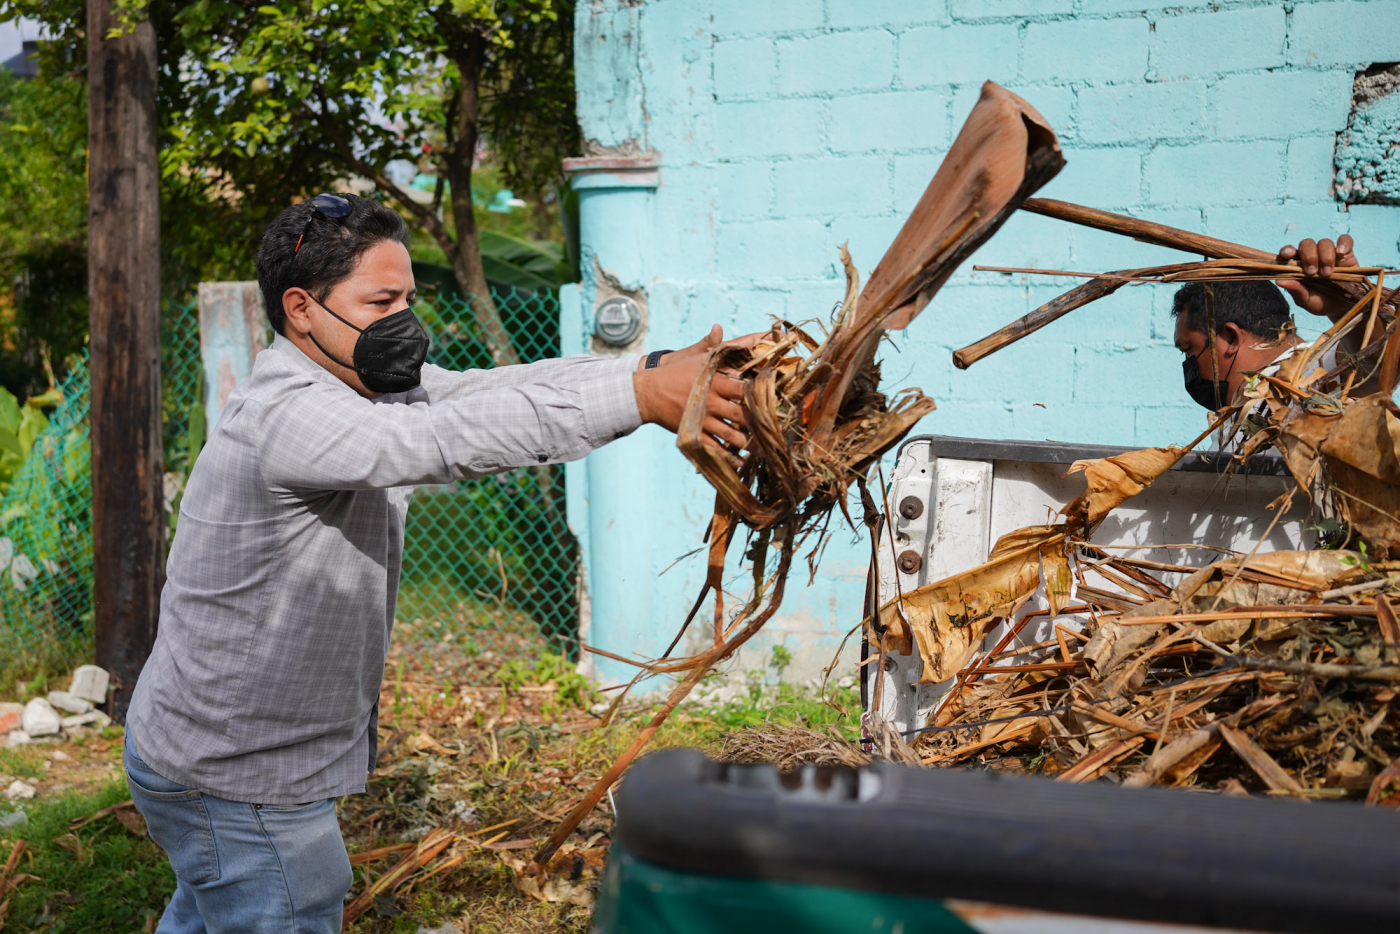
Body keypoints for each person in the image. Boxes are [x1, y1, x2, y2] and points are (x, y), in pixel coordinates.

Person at [123, 193, 753, 933]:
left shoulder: (354, 383)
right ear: (301, 308)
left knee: (212, 910)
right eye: (381, 299)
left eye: (408, 298)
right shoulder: (290, 413)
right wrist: (642, 396)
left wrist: (646, 368)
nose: (403, 319)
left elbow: (489, 391)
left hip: (214, 750)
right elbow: (444, 440)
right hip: (237, 772)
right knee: (289, 902)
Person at [1171, 234, 1378, 449]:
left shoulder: (1311, 373)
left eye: (1189, 349)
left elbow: (1375, 360)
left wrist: (1352, 303)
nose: (1188, 363)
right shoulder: (1232, 423)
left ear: (1231, 337)